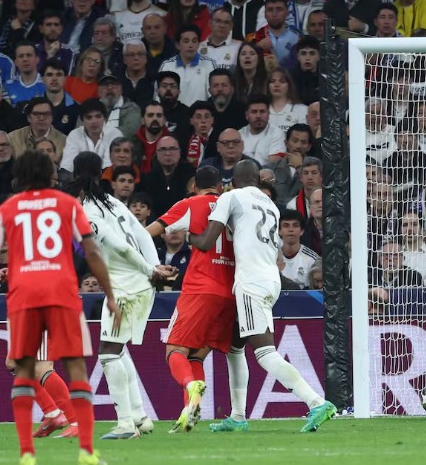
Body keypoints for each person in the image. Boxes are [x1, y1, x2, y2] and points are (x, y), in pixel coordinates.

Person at [0, 150, 118, 465]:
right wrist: (109, 294)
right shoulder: (68, 205)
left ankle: (29, 450)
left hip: (26, 297)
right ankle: (85, 447)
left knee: (25, 367)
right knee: (74, 367)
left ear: (20, 176)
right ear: (50, 176)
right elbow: (91, 252)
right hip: (62, 292)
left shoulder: (9, 208)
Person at [190, 160, 337, 433]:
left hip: (251, 282)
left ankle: (317, 402)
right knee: (235, 348)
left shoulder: (231, 197)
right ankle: (237, 417)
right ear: (257, 181)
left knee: (265, 353)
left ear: (233, 182)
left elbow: (207, 241)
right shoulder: (269, 204)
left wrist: (189, 236)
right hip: (270, 279)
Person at [67, 151, 174, 439]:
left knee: (108, 353)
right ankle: (139, 417)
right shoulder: (112, 201)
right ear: (100, 173)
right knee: (117, 349)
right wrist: (154, 267)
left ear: (75, 174)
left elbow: (120, 246)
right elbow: (142, 235)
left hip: (127, 287)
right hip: (136, 283)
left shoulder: (88, 211)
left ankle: (125, 424)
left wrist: (150, 270)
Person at [146, 166, 244, 434]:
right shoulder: (234, 207)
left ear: (194, 187)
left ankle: (191, 387)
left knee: (174, 350)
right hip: (230, 293)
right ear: (220, 187)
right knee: (196, 357)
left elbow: (149, 232)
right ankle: (190, 411)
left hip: (201, 289)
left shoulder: (191, 204)